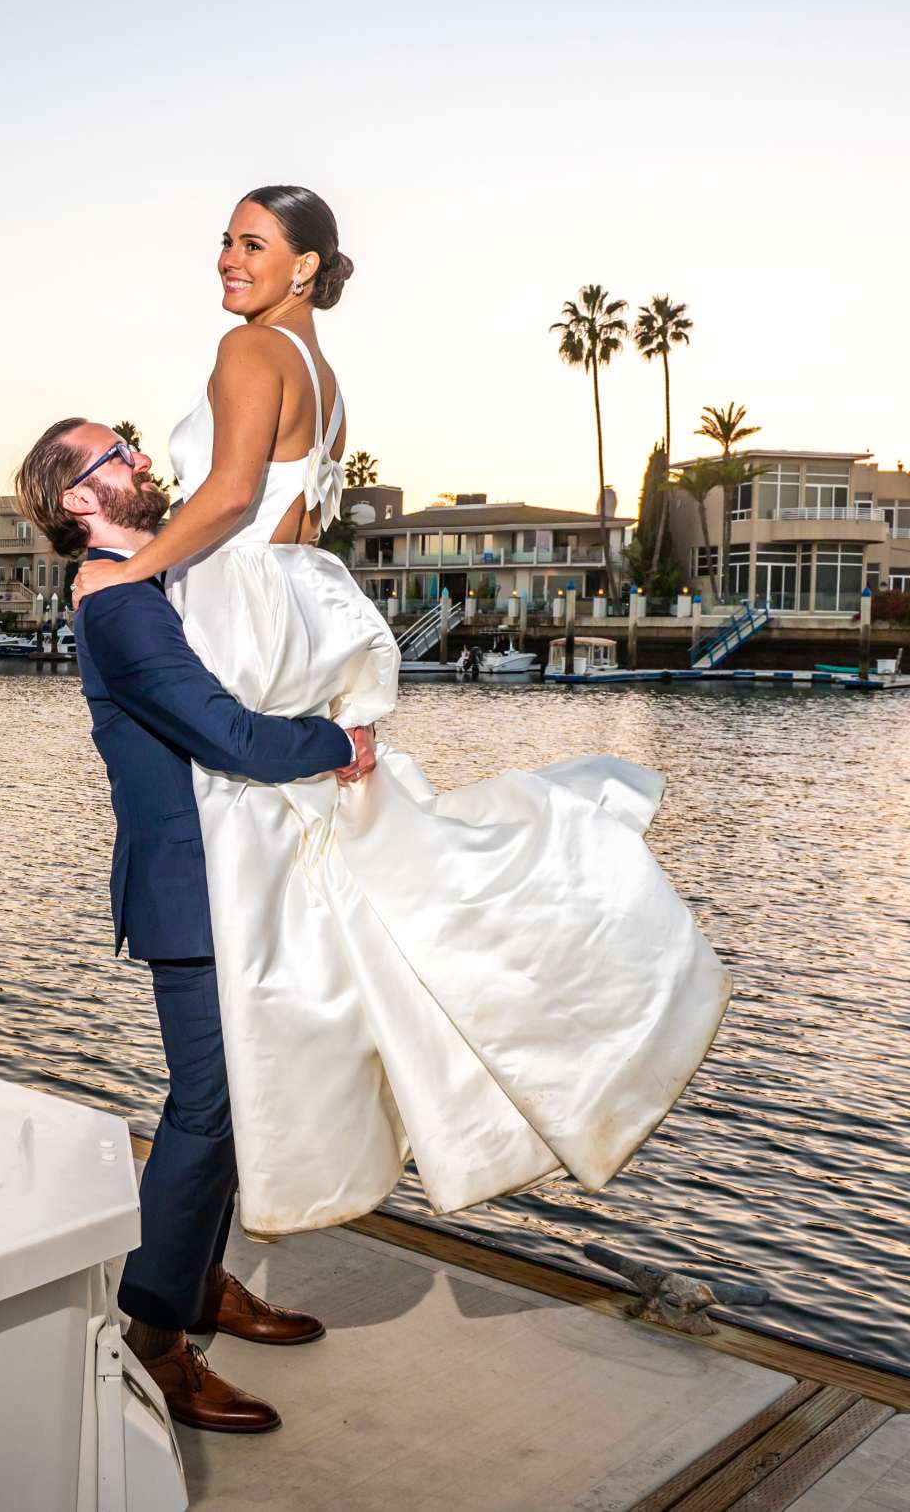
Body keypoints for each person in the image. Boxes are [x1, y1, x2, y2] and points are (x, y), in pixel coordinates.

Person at [69, 184, 730, 1242]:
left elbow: (232, 496)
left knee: (263, 919)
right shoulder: (325, 378)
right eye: (224, 243)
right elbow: (295, 513)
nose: (228, 261)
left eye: (251, 244)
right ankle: (220, 1256)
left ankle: (185, 1282)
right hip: (293, 605)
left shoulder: (247, 353)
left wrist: (131, 572)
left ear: (304, 265)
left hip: (238, 600)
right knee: (316, 912)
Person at [14, 416, 372, 1433]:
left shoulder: (163, 580)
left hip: (233, 879)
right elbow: (224, 733)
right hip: (189, 888)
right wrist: (336, 741)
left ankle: (200, 1279)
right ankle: (155, 1337)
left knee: (236, 1093)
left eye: (129, 440)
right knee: (206, 1106)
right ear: (76, 500)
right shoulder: (119, 605)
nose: (137, 458)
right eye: (113, 455)